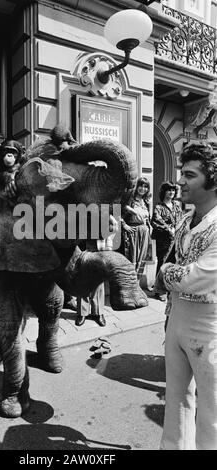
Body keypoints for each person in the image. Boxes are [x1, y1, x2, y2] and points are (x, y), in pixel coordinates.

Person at [155, 142, 217, 450]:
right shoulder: (184, 219)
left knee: (212, 411)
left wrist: (165, 273)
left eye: (189, 175)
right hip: (177, 318)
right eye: (182, 173)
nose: (180, 181)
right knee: (176, 400)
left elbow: (199, 277)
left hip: (210, 326)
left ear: (213, 180)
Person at [75, 215, 119, 327]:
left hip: (100, 247)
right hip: (83, 246)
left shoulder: (104, 209)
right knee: (82, 279)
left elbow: (115, 227)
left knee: (98, 281)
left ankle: (98, 313)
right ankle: (82, 312)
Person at [151, 181, 182, 300]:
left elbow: (181, 219)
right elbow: (156, 221)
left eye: (173, 190)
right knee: (163, 262)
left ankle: (169, 287)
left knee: (173, 263)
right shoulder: (159, 207)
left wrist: (178, 229)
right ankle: (159, 290)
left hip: (176, 239)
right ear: (164, 192)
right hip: (163, 240)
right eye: (169, 190)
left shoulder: (176, 206)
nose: (171, 192)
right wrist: (168, 229)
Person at [120, 177, 152, 280]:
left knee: (141, 260)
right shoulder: (130, 199)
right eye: (141, 186)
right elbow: (117, 211)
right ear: (137, 186)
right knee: (131, 260)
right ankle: (129, 286)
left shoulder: (146, 201)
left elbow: (148, 218)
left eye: (145, 186)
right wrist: (124, 225)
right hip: (133, 234)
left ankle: (136, 286)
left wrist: (149, 227)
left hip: (144, 234)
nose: (143, 189)